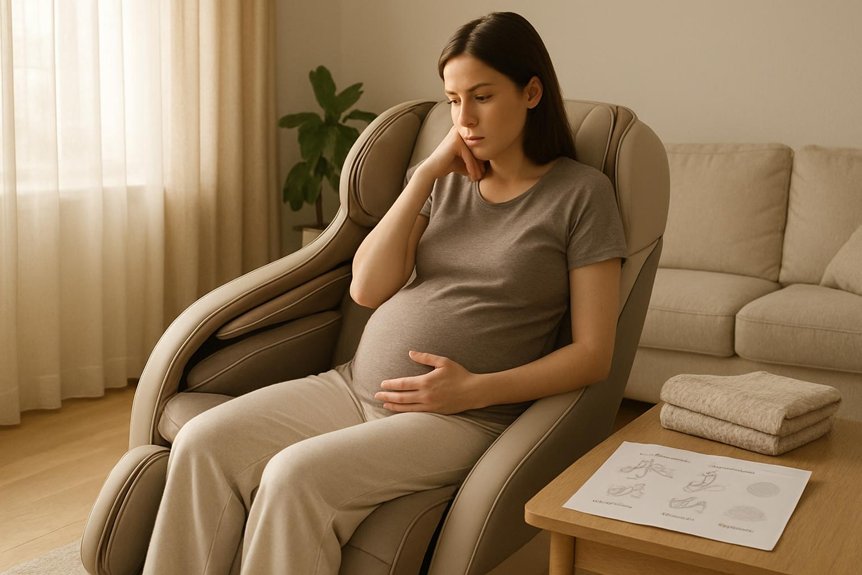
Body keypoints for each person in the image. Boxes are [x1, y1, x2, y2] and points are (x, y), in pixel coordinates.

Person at [142, 11, 627, 575]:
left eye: (482, 97)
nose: (465, 118)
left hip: (463, 417)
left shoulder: (581, 195)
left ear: (531, 92)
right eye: (453, 100)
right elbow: (367, 287)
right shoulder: (443, 182)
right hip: (352, 387)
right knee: (203, 441)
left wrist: (473, 390)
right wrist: (424, 176)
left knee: (293, 477)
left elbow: (593, 354)